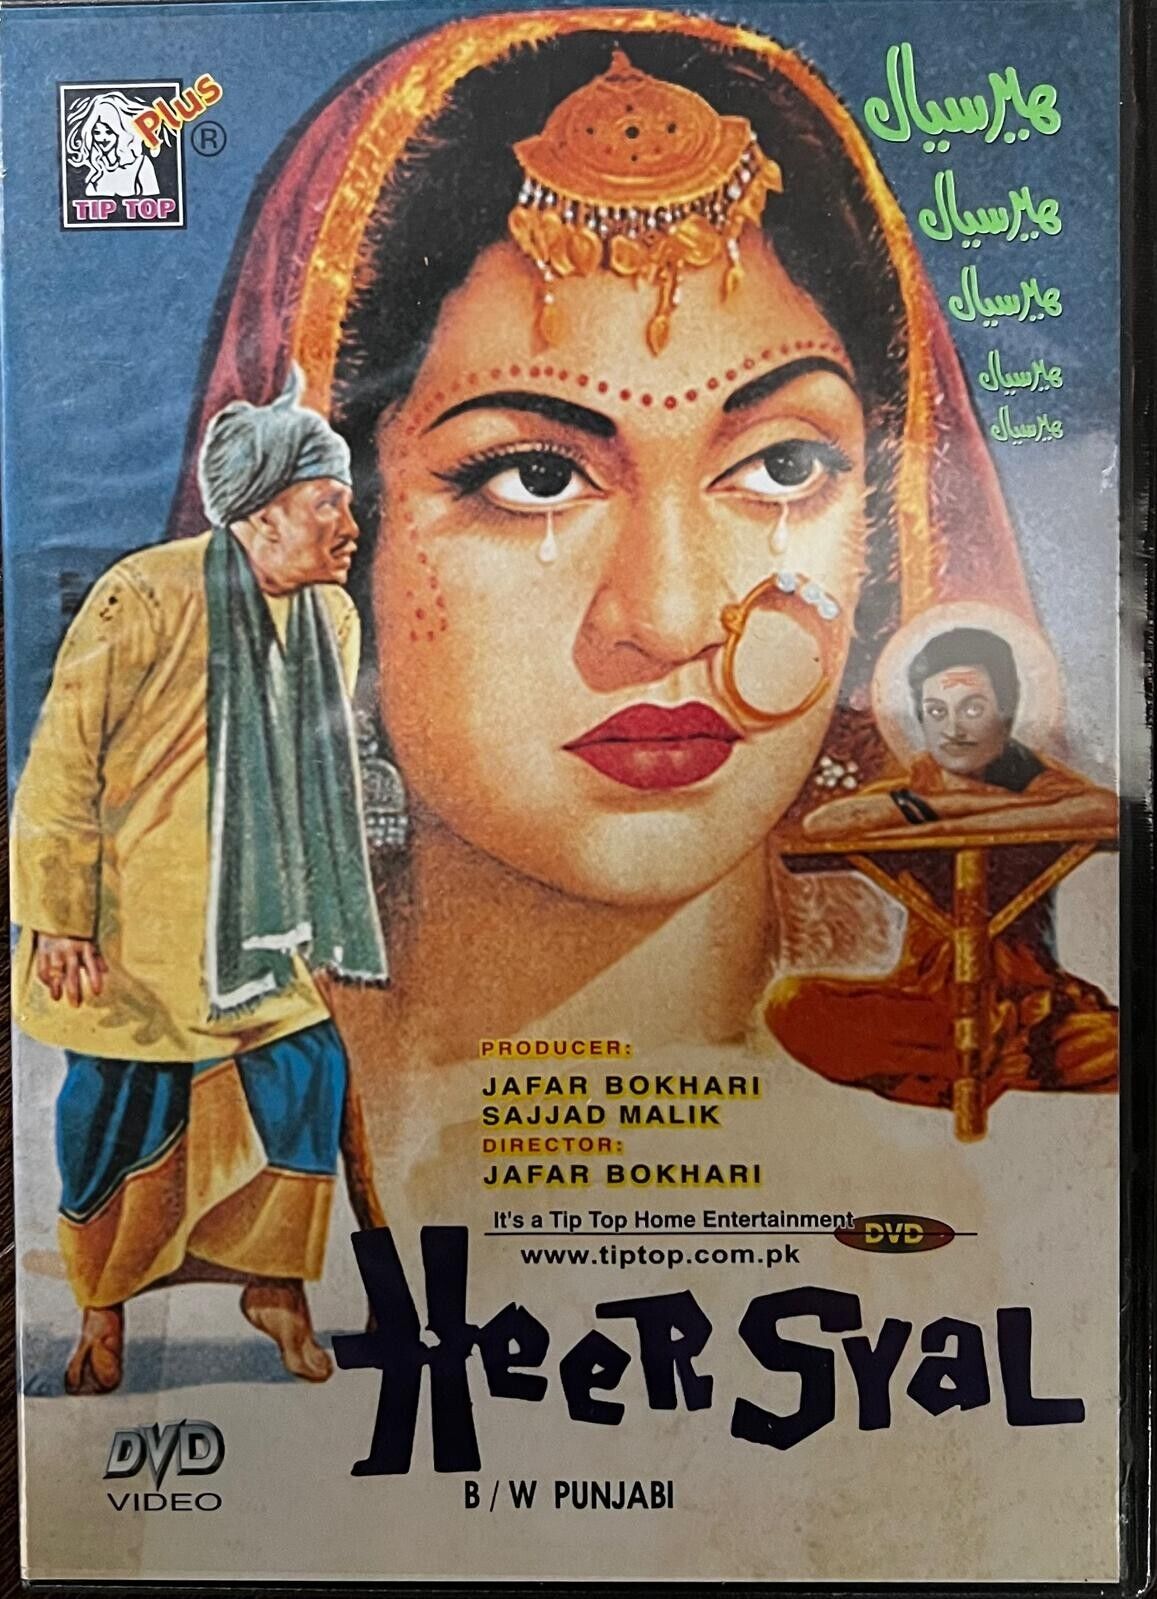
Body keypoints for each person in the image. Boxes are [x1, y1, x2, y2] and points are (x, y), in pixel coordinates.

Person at [167, 12, 1112, 1130]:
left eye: (782, 465)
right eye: (532, 477)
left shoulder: (1021, 1114)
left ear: (886, 524)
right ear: (342, 535)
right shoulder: (200, 1144)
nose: (669, 620)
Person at [12, 370, 387, 1394]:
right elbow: (61, 764)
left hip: (258, 934)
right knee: (115, 1115)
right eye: (327, 503)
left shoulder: (329, 621)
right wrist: (61, 917)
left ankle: (276, 1288)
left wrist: (321, 908)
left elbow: (315, 783)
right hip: (131, 932)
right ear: (262, 517)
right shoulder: (142, 594)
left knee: (303, 1080)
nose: (350, 524)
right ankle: (102, 1312)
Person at [765, 626, 1118, 1108]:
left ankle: (976, 1066)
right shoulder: (920, 782)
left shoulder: (1032, 776)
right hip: (931, 1010)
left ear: (1007, 709)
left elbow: (1103, 809)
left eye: (972, 709)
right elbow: (827, 822)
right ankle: (985, 1063)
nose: (953, 729)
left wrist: (968, 810)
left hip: (1029, 1008)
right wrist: (952, 804)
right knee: (792, 1007)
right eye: (936, 712)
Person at [64, 91, 161, 198]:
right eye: (97, 133)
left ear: (120, 133)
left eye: (109, 132)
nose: (103, 138)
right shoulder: (95, 168)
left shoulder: (140, 163)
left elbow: (156, 201)